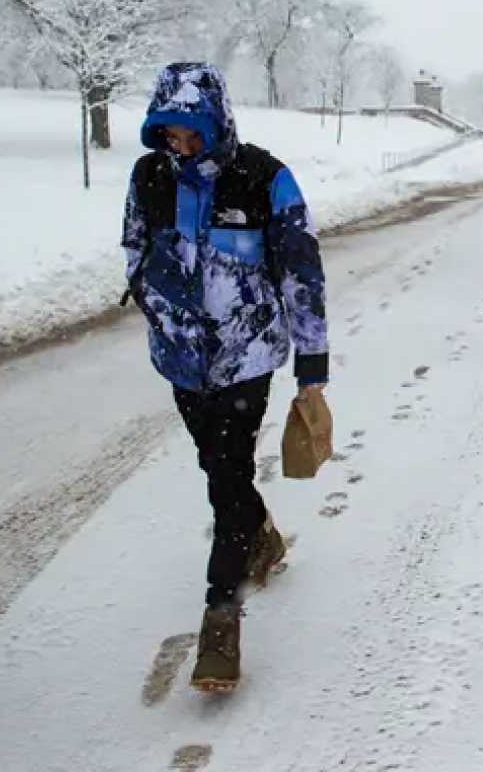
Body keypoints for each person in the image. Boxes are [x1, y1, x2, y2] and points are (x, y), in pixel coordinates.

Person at [121, 62, 330, 692]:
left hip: (247, 356)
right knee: (218, 466)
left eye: (191, 131)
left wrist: (311, 368)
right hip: (181, 357)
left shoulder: (265, 178)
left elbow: (301, 271)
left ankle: (221, 619)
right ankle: (260, 535)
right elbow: (135, 245)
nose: (180, 144)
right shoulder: (149, 176)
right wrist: (153, 300)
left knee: (228, 473)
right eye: (169, 132)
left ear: (217, 123)